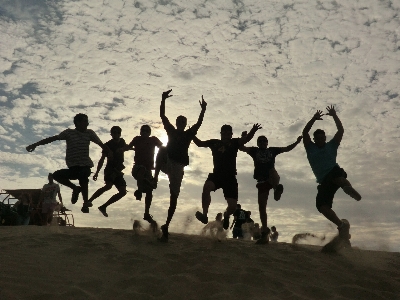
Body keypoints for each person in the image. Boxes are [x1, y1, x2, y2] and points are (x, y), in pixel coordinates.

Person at [26, 113, 111, 213]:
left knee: (83, 176)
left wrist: (110, 152)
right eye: (85, 121)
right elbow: (53, 138)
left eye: (87, 121)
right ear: (77, 123)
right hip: (73, 168)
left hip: (85, 165)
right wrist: (36, 144)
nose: (87, 123)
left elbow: (101, 144)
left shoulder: (90, 133)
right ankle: (75, 188)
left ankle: (85, 203)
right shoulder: (69, 133)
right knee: (56, 175)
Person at [302, 105, 361, 241]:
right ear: (314, 139)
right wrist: (313, 119)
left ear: (325, 138)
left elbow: (340, 130)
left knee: (338, 177)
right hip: (323, 181)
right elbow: (304, 133)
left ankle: (348, 187)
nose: (320, 140)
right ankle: (341, 226)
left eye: (322, 138)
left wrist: (334, 115)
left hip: (334, 171)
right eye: (318, 138)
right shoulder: (310, 147)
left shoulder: (331, 145)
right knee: (321, 206)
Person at [158, 89, 207, 241]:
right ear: (177, 123)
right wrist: (163, 99)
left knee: (174, 198)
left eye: (183, 122)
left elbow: (199, 123)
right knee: (161, 151)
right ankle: (153, 179)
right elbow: (163, 116)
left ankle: (166, 225)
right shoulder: (171, 131)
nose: (180, 124)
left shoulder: (188, 134)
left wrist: (203, 110)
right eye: (179, 122)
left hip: (178, 167)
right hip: (168, 163)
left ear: (185, 125)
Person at [194, 123, 261, 230]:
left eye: (228, 133)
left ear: (231, 134)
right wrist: (191, 133)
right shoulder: (214, 142)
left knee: (232, 207)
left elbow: (245, 140)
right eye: (224, 133)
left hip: (230, 178)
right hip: (217, 175)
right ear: (221, 134)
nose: (225, 135)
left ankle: (226, 216)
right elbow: (199, 143)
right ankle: (205, 215)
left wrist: (253, 130)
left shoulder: (234, 142)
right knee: (206, 187)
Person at [240, 134, 302, 244]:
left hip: (271, 178)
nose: (263, 143)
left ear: (267, 143)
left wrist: (297, 142)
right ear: (258, 143)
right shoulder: (254, 151)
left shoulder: (272, 150)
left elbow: (287, 148)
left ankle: (276, 189)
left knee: (272, 170)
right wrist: (243, 137)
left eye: (264, 141)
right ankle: (264, 232)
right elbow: (241, 147)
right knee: (262, 207)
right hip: (261, 181)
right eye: (260, 141)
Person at [123, 124, 163, 223]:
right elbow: (128, 146)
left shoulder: (153, 139)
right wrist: (122, 148)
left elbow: (162, 148)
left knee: (149, 192)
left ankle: (146, 213)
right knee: (141, 171)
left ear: (149, 132)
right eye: (143, 130)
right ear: (140, 132)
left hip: (148, 170)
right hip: (137, 167)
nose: (144, 132)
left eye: (146, 130)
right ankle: (140, 191)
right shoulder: (137, 139)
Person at [88, 126, 128, 217]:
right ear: (111, 134)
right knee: (108, 186)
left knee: (123, 192)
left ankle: (104, 206)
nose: (115, 134)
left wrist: (127, 148)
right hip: (110, 169)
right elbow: (102, 159)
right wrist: (97, 172)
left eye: (117, 132)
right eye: (114, 132)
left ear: (120, 134)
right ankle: (90, 200)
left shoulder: (122, 141)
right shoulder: (107, 145)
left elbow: (126, 147)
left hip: (118, 171)